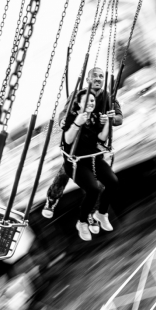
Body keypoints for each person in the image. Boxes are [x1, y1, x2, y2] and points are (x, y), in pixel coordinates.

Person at [41, 67, 123, 228]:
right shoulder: (78, 95)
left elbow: (119, 118)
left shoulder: (108, 97)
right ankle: (52, 199)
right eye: (94, 76)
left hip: (95, 145)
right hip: (77, 145)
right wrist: (64, 120)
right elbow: (64, 113)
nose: (98, 79)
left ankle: (92, 214)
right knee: (65, 172)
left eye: (101, 76)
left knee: (98, 183)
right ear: (88, 79)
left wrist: (112, 119)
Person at [60, 90, 119, 241]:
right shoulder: (71, 117)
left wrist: (108, 123)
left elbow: (101, 138)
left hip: (93, 159)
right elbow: (67, 140)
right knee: (93, 189)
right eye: (87, 101)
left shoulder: (95, 117)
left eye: (92, 101)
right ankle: (82, 222)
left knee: (113, 182)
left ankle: (101, 213)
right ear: (79, 103)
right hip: (76, 163)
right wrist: (76, 123)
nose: (91, 103)